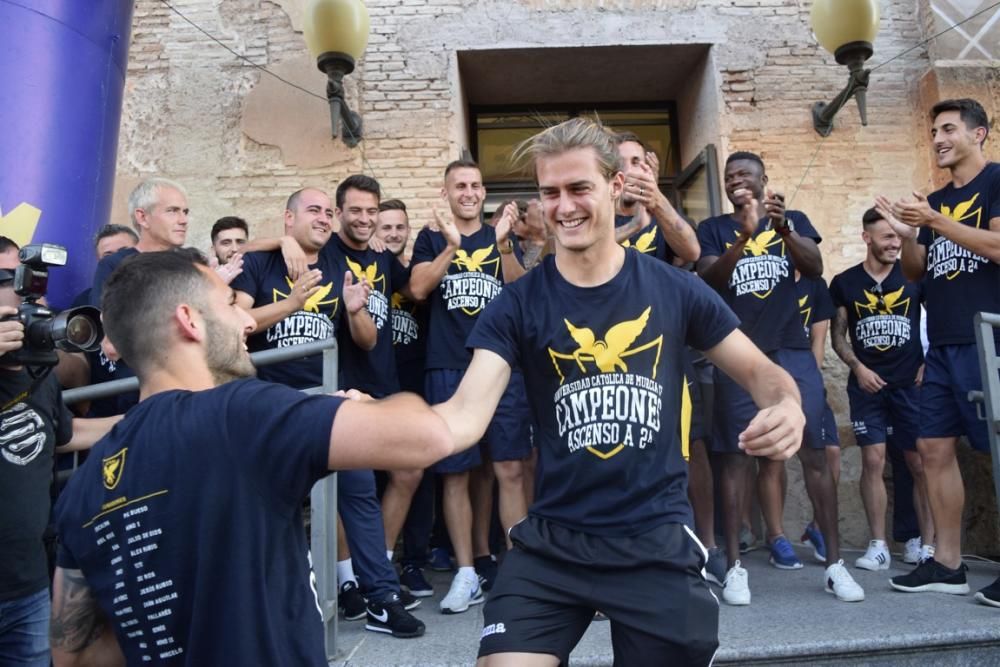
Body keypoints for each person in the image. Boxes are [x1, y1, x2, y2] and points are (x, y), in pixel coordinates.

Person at [424, 117, 804, 666]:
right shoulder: (518, 304)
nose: (563, 206)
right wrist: (377, 421)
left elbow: (760, 372)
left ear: (615, 188)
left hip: (654, 543)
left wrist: (787, 403)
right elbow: (460, 417)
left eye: (579, 188)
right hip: (554, 543)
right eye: (550, 192)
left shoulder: (675, 290)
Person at [49, 249, 457, 665]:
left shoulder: (85, 485)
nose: (248, 320)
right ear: (189, 320)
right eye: (230, 303)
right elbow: (429, 437)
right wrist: (365, 405)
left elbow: (73, 656)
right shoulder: (241, 414)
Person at [696, 151, 863, 605]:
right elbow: (707, 281)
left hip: (791, 351)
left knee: (815, 455)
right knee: (733, 458)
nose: (736, 180)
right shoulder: (713, 228)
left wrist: (782, 226)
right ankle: (733, 568)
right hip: (739, 355)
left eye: (745, 174)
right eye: (730, 176)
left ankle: (834, 566)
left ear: (763, 179)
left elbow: (813, 268)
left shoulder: (791, 220)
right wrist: (742, 239)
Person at [877, 98, 1000, 607]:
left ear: (981, 134)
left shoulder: (995, 181)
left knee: (998, 452)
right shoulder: (935, 201)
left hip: (990, 337)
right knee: (932, 451)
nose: (938, 138)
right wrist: (910, 236)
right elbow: (915, 272)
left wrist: (935, 220)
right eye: (933, 131)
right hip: (945, 347)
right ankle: (948, 565)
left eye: (949, 128)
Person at [409, 160, 532, 614]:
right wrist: (451, 247)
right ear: (446, 193)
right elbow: (419, 289)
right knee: (455, 472)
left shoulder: (503, 233)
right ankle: (465, 573)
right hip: (448, 364)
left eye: (477, 185)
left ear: (484, 192)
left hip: (501, 365)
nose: (469, 192)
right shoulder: (429, 236)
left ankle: (520, 574)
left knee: (509, 470)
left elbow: (524, 291)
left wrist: (501, 245)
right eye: (460, 185)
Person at [0, 238, 118, 667]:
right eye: (8, 280)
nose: (24, 292)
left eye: (29, 282)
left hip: (29, 584)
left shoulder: (38, 367)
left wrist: (152, 416)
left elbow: (63, 435)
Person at [829, 207, 933, 572]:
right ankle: (878, 545)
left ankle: (926, 544)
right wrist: (857, 367)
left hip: (910, 385)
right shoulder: (845, 282)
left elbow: (936, 318)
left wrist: (928, 362)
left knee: (918, 463)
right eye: (887, 236)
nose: (895, 242)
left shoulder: (915, 276)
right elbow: (838, 335)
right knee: (872, 461)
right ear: (866, 238)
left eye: (899, 236)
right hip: (867, 387)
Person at [374, 199, 436, 599]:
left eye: (400, 227)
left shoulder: (418, 274)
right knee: (378, 480)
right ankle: (378, 565)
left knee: (418, 475)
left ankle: (413, 561)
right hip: (376, 386)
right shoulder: (366, 269)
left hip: (415, 388)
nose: (393, 233)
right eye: (386, 227)